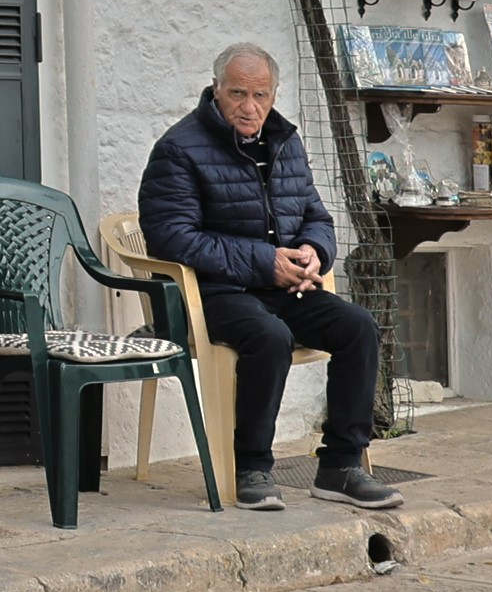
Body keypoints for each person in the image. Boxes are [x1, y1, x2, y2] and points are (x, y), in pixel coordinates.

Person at [139, 43, 403, 512]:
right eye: (238, 93)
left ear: (273, 94)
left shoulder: (285, 141)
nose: (250, 106)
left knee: (357, 327)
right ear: (216, 90)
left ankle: (341, 467)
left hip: (283, 286)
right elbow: (173, 239)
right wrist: (264, 261)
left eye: (261, 95)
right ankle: (252, 467)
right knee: (270, 336)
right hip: (214, 292)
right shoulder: (178, 149)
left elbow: (316, 215)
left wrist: (313, 253)